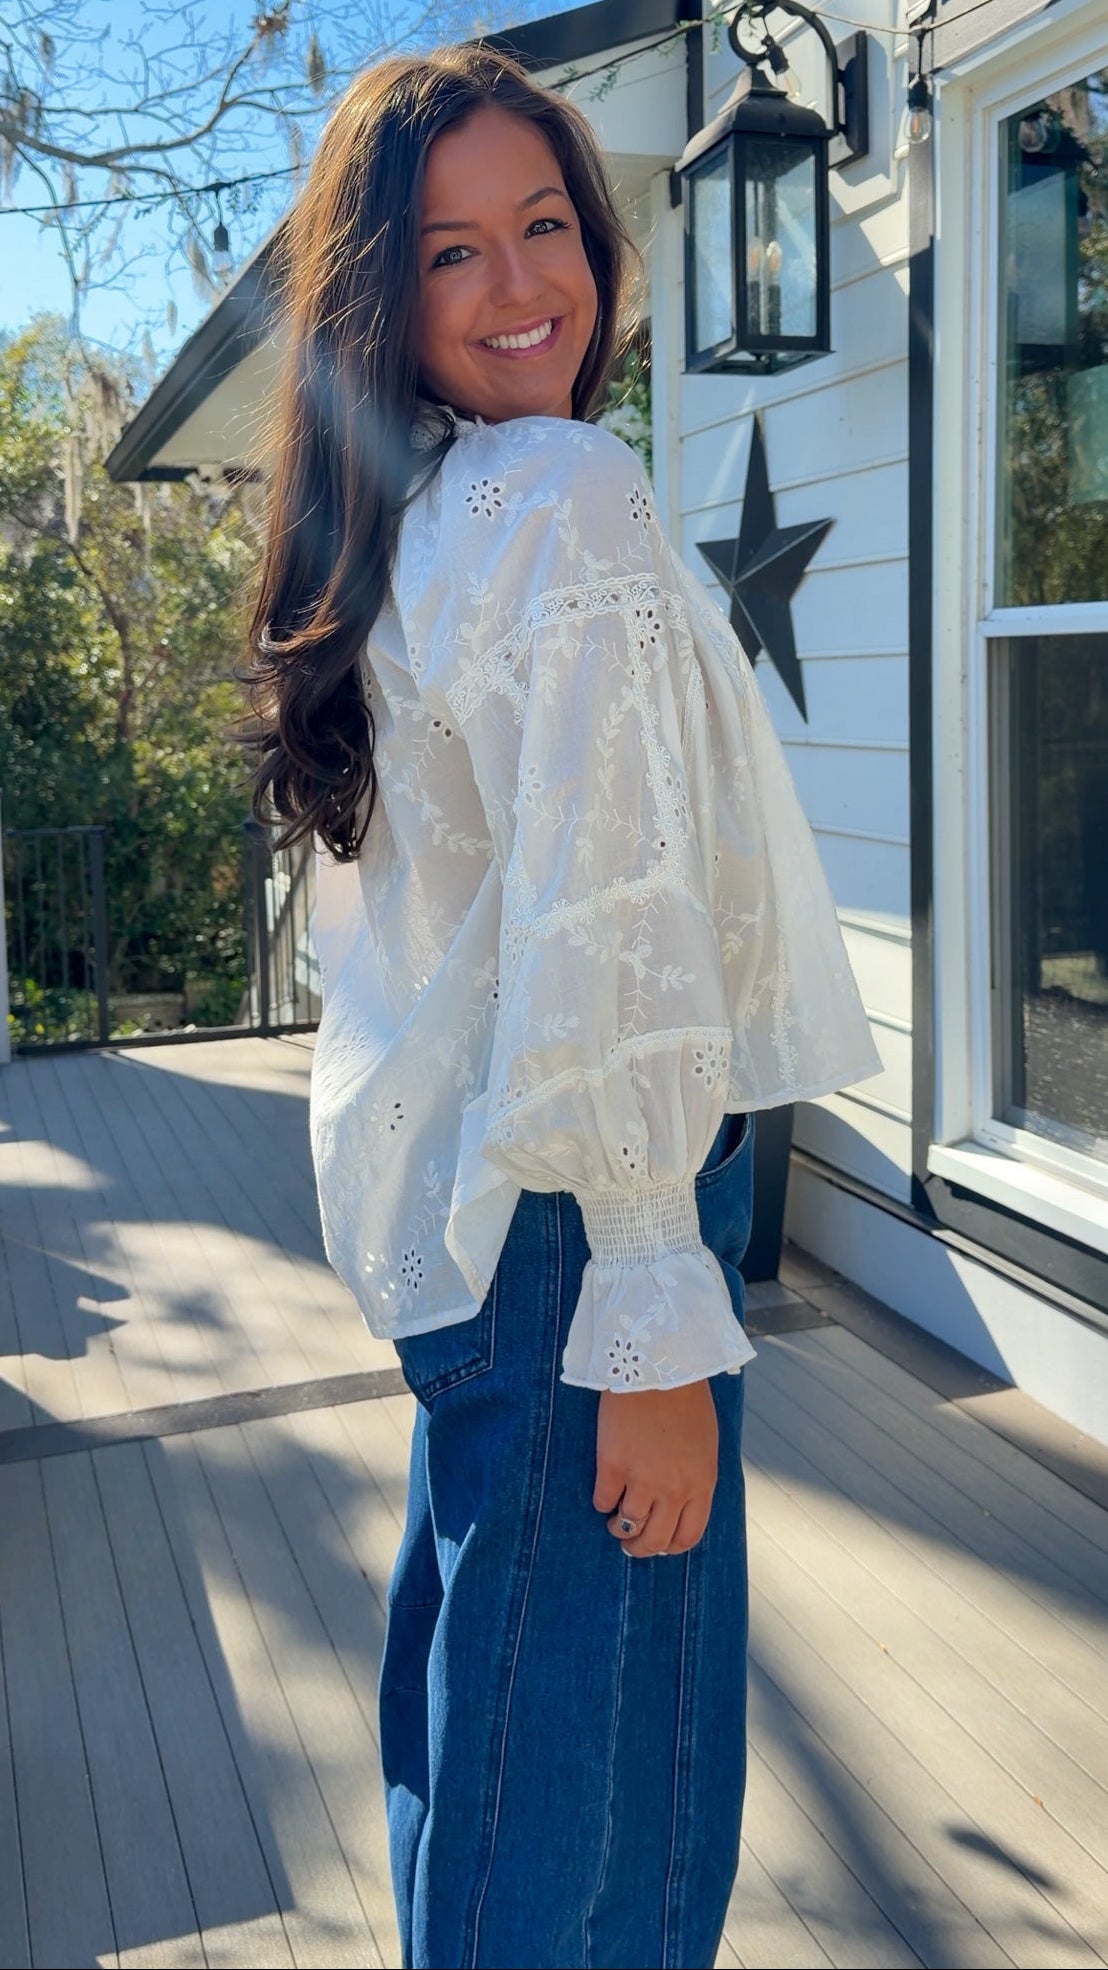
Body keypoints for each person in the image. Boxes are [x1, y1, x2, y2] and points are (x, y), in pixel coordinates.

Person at [239, 41, 881, 1970]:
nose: (525, 286)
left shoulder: (424, 512)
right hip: (586, 1238)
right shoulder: (565, 492)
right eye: (454, 252)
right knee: (595, 1836)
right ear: (383, 297)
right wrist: (653, 1297)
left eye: (547, 226)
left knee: (485, 1758)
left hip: (487, 1229)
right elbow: (606, 918)